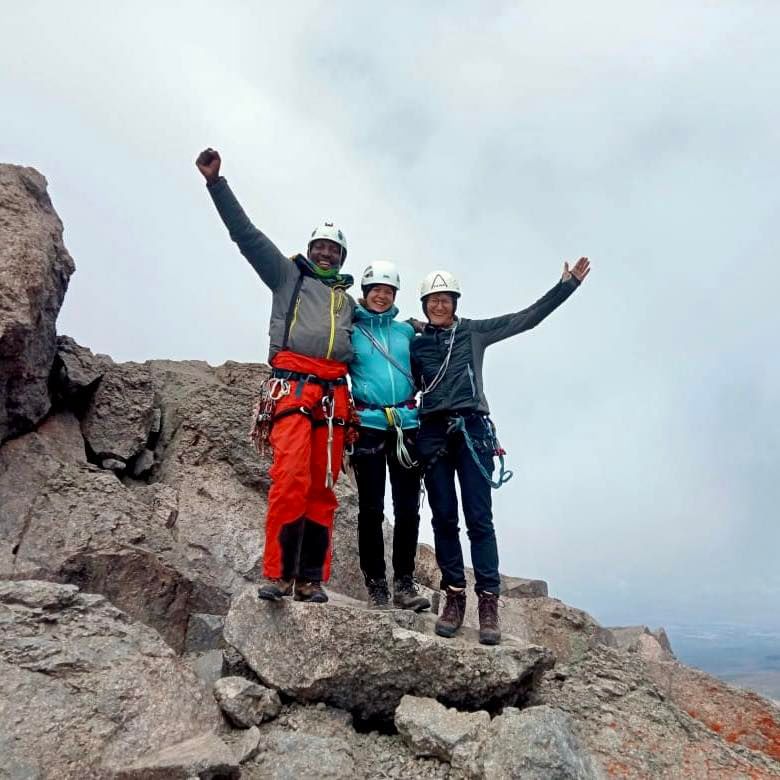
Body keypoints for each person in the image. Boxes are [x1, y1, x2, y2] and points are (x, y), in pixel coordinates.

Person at [195, 147, 356, 604]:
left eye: (333, 249)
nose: (325, 253)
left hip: (334, 397)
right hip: (292, 388)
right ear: (310, 250)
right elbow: (245, 236)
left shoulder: (349, 302)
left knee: (323, 489)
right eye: (320, 246)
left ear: (341, 256)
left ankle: (309, 578)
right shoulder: (287, 276)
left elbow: (377, 338)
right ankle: (278, 574)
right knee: (289, 478)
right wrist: (216, 184)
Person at [410, 259, 590, 644]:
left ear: (455, 302)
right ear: (424, 305)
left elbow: (526, 319)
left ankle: (488, 603)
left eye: (445, 299)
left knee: (479, 520)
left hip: (472, 431)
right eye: (432, 300)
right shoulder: (417, 343)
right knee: (443, 518)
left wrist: (565, 286)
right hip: (433, 434)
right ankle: (454, 597)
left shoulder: (474, 333)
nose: (439, 306)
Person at [349, 261, 430, 611]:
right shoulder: (351, 329)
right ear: (365, 294)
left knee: (409, 509)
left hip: (407, 424)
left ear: (395, 295)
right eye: (375, 290)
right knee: (370, 509)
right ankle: (376, 584)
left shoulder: (405, 333)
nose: (381, 296)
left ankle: (405, 583)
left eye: (388, 291)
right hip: (367, 423)